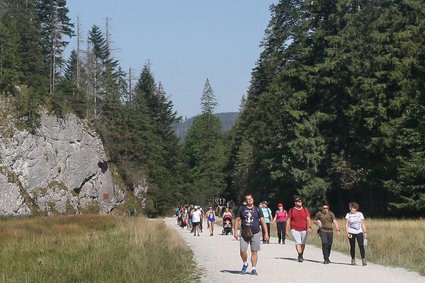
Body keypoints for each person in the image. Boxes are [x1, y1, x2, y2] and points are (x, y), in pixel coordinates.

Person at [234, 194, 269, 276]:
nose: (250, 200)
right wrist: (235, 231)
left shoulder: (257, 209)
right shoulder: (242, 209)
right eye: (248, 199)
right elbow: (237, 220)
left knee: (254, 251)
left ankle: (253, 269)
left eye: (251, 198)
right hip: (244, 233)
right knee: (243, 250)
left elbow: (263, 221)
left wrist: (266, 233)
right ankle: (245, 263)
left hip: (256, 232)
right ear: (246, 201)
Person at [286, 196, 312, 262]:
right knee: (298, 242)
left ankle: (301, 254)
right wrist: (287, 230)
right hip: (294, 229)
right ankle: (300, 256)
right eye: (299, 201)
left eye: (301, 201)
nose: (300, 202)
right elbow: (288, 220)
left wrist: (309, 227)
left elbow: (308, 219)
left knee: (303, 243)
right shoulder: (291, 210)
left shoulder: (304, 210)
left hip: (304, 229)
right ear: (295, 203)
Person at [345, 202, 368, 266]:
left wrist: (365, 232)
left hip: (359, 232)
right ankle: (353, 259)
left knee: (361, 245)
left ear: (355, 208)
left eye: (352, 208)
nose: (350, 209)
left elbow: (362, 224)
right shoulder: (348, 215)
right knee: (352, 246)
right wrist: (347, 233)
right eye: (350, 208)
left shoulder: (360, 214)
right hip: (351, 231)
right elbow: (346, 224)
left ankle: (363, 259)